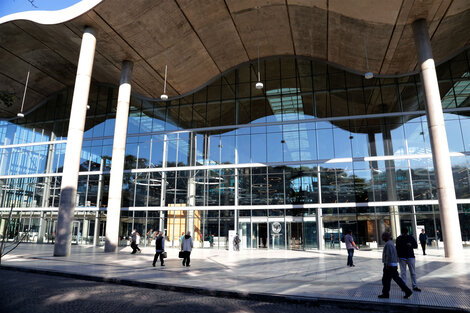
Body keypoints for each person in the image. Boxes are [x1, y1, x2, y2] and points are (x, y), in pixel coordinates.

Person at [378, 232, 413, 299]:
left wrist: (387, 265)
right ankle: (407, 291)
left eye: (383, 237)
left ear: (386, 237)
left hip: (389, 266)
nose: (382, 238)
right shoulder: (391, 243)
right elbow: (395, 254)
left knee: (386, 280)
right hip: (393, 265)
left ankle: (385, 294)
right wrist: (396, 263)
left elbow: (388, 255)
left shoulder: (388, 244)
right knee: (396, 279)